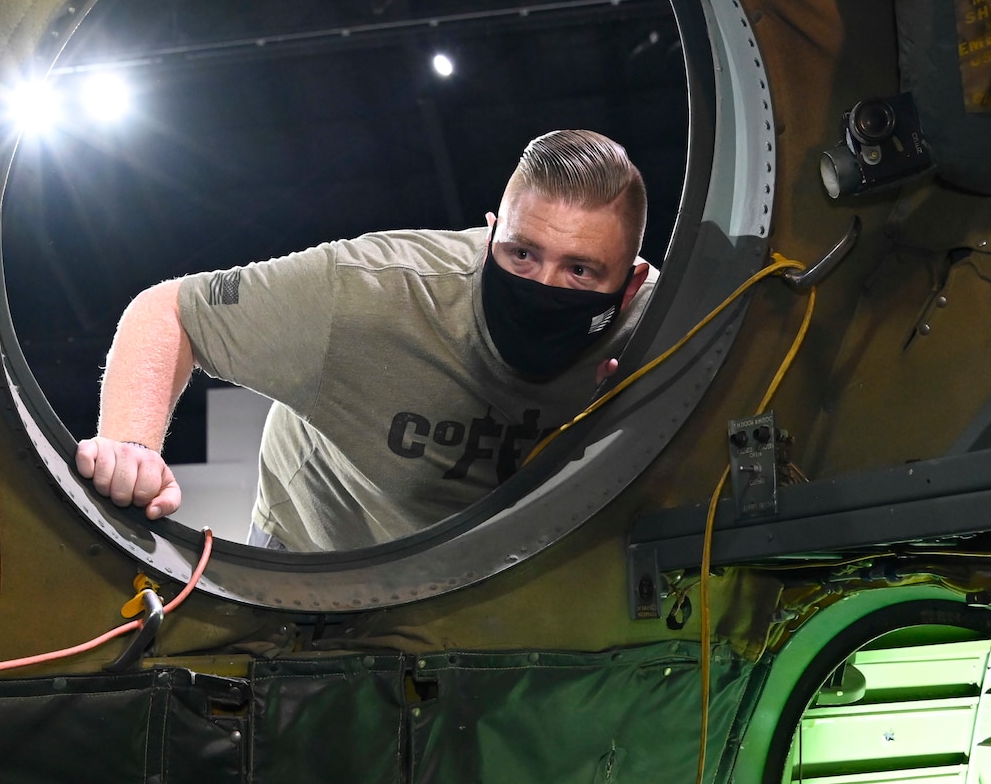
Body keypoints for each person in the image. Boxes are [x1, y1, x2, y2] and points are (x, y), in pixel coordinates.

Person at [75, 128, 658, 551]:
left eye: (580, 271)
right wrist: (131, 444)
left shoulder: (666, 330)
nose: (544, 286)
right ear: (488, 240)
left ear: (629, 286)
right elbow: (170, 310)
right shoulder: (368, 290)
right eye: (522, 254)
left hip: (500, 561)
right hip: (320, 551)